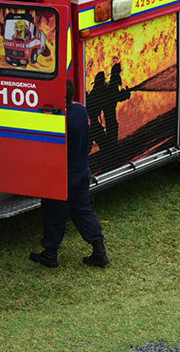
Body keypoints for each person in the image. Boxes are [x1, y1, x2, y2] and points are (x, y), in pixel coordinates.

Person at [29, 80, 110, 269]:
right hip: (81, 171)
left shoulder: (60, 120)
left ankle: (50, 254)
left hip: (63, 176)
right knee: (83, 211)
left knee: (54, 213)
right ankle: (99, 251)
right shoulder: (80, 111)